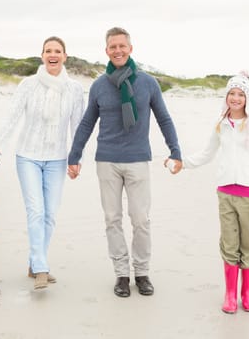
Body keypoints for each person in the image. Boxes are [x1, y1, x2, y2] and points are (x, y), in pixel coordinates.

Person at [67, 27, 182, 298]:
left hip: (138, 159)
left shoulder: (148, 83)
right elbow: (86, 123)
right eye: (112, 47)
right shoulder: (98, 86)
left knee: (141, 219)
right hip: (106, 161)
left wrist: (175, 151)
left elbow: (164, 118)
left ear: (130, 48)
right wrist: (75, 156)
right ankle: (121, 274)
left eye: (122, 46)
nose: (117, 51)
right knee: (112, 219)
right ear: (106, 51)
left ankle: (141, 272)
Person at [0, 36, 85, 290]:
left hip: (57, 159)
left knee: (50, 215)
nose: (53, 55)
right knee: (36, 211)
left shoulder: (74, 89)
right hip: (28, 156)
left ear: (65, 56)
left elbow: (78, 127)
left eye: (58, 51)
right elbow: (12, 117)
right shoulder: (28, 85)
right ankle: (41, 268)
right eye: (48, 51)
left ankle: (34, 262)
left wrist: (76, 158)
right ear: (42, 56)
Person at [178, 72, 249, 313]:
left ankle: (246, 294)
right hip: (225, 193)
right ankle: (230, 294)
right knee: (229, 243)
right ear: (226, 96)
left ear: (247, 98)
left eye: (241, 94)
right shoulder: (221, 123)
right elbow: (208, 153)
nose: (236, 98)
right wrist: (183, 162)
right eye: (232, 93)